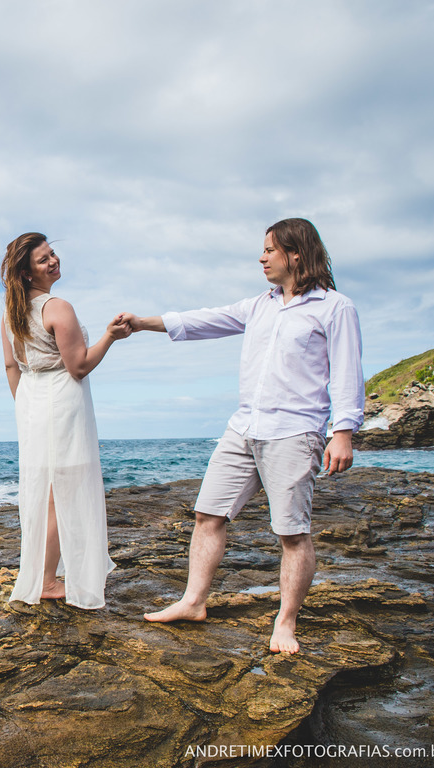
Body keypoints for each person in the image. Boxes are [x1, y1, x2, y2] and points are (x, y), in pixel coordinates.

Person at [118, 218, 364, 654]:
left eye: (270, 249)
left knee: (292, 533)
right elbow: (206, 320)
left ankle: (285, 622)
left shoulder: (335, 307)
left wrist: (342, 433)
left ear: (296, 254)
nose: (261, 257)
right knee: (207, 514)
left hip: (294, 433)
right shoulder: (259, 306)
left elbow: (347, 373)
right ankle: (193, 602)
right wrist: (142, 322)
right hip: (243, 428)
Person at [0, 232, 129, 609]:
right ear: (27, 273)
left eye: (52, 253)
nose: (53, 261)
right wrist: (110, 336)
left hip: (32, 402)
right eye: (43, 259)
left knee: (44, 490)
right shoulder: (57, 307)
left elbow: (11, 366)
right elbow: (79, 366)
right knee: (61, 492)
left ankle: (46, 573)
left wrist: (26, 408)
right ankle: (46, 579)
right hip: (62, 401)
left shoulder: (10, 314)